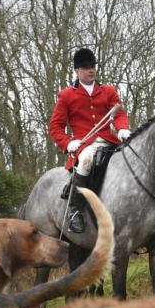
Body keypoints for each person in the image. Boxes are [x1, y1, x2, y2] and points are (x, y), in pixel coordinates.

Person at [48, 47, 131, 233]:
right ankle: (75, 210)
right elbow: (55, 126)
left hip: (110, 140)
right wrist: (68, 143)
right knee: (86, 160)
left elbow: (119, 114)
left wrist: (123, 129)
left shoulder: (108, 91)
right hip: (84, 144)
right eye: (86, 67)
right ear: (77, 71)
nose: (91, 70)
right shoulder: (66, 95)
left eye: (93, 66)